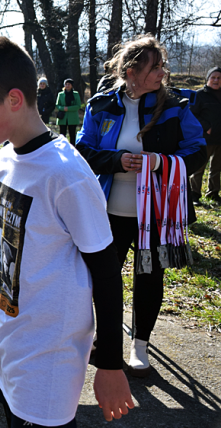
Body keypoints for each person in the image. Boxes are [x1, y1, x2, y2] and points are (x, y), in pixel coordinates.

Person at [0, 36, 134, 427]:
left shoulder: (66, 175)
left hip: (47, 361)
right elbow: (8, 254)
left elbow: (106, 273)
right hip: (7, 346)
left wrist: (110, 364)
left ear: (14, 99)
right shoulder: (4, 158)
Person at [76, 35, 206, 377]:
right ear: (131, 71)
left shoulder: (177, 107)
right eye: (155, 66)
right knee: (105, 279)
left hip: (156, 214)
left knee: (149, 278)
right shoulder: (100, 105)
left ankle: (140, 346)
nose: (162, 72)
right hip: (107, 211)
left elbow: (197, 151)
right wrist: (118, 160)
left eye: (162, 65)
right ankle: (106, 342)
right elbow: (83, 152)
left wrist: (160, 163)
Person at [189, 66, 221, 204]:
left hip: (220, 139)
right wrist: (206, 127)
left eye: (219, 78)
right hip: (204, 138)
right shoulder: (199, 95)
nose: (216, 80)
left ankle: (213, 193)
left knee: (217, 168)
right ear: (208, 79)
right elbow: (191, 114)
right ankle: (194, 194)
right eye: (213, 77)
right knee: (199, 167)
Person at [55, 78, 81, 144]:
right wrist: (63, 108)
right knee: (62, 135)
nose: (67, 85)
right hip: (62, 117)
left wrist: (68, 108)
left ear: (72, 85)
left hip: (72, 118)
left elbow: (78, 106)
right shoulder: (60, 94)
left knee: (72, 134)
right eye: (66, 84)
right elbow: (57, 105)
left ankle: (73, 148)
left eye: (69, 84)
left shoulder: (76, 94)